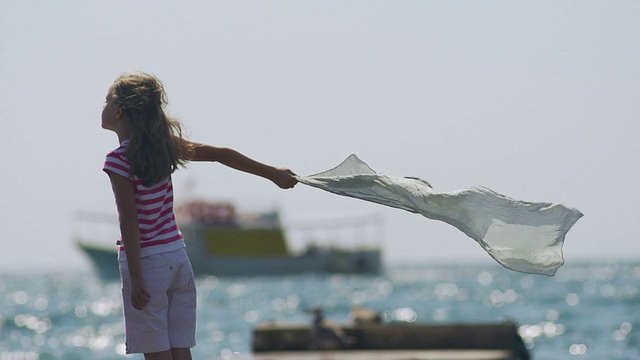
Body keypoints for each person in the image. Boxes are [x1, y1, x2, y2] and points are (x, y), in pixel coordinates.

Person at [101, 71, 298, 360]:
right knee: (181, 351)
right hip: (178, 260)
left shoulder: (118, 159)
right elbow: (221, 154)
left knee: (157, 352)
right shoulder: (165, 147)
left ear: (119, 111)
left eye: (105, 101)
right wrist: (273, 174)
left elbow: (128, 219)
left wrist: (137, 277)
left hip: (147, 263)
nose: (102, 107)